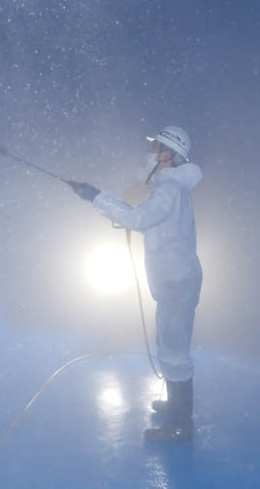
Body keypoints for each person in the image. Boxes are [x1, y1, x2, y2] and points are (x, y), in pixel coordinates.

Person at [71, 125, 203, 442]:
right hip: (175, 278)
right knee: (170, 346)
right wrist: (107, 201)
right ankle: (175, 406)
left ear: (170, 154)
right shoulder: (171, 189)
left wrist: (97, 198)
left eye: (156, 147)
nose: (150, 153)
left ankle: (180, 426)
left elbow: (139, 219)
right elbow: (153, 224)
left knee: (174, 352)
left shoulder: (169, 191)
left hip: (175, 281)